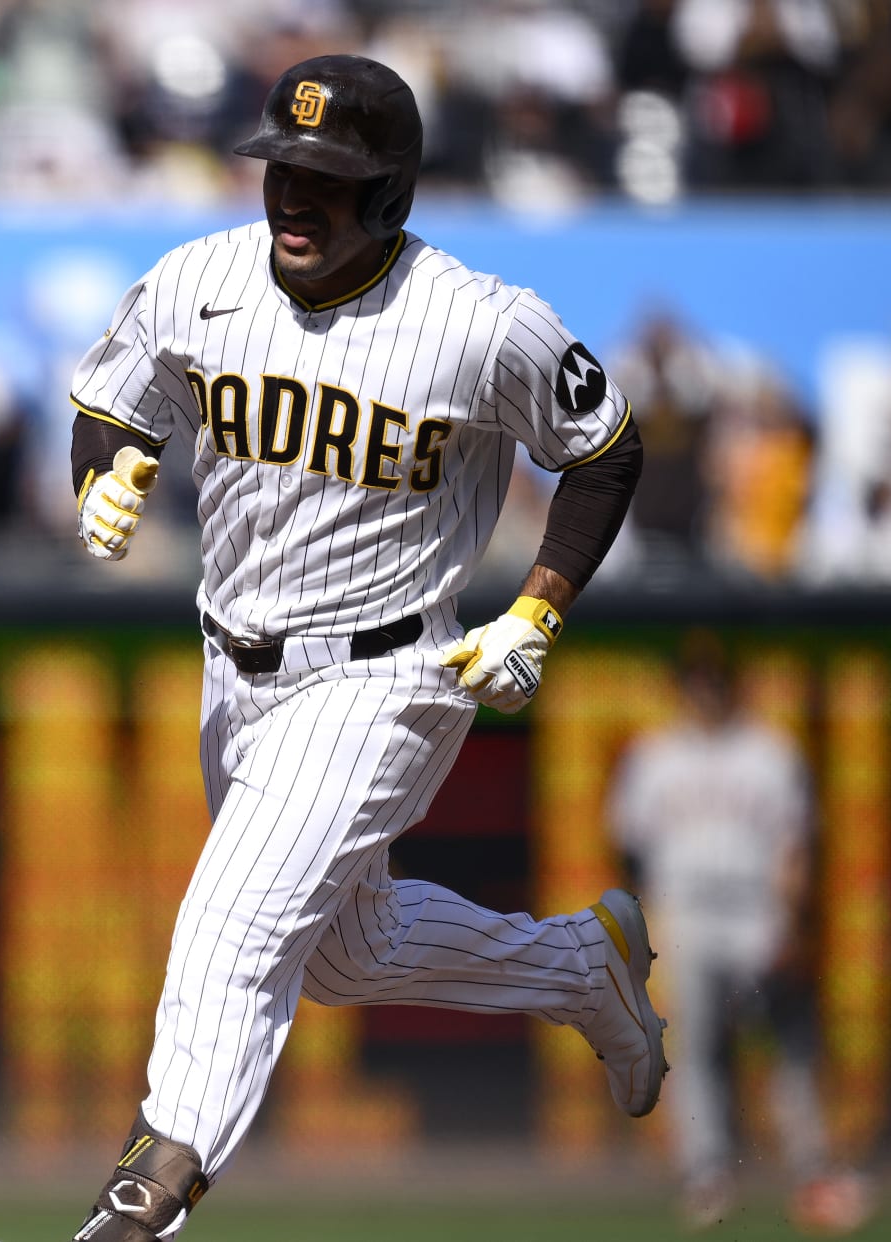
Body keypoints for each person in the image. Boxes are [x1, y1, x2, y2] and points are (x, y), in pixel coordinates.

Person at [64, 55, 661, 1241]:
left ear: (389, 192)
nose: (291, 196)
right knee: (343, 952)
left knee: (231, 926)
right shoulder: (201, 279)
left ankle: (143, 1201)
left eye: (325, 180)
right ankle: (578, 968)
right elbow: (114, 404)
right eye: (280, 168)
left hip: (390, 673)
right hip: (233, 672)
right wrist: (100, 476)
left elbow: (605, 446)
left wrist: (537, 609)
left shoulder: (479, 323)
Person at [610, 632, 870, 1234]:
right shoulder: (653, 756)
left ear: (734, 683)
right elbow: (629, 849)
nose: (706, 689)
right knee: (691, 1050)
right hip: (687, 913)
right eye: (696, 678)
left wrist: (794, 924)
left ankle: (813, 1173)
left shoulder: (769, 753)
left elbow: (796, 846)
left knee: (786, 1047)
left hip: (758, 913)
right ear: (680, 685)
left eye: (715, 678)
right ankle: (705, 1177)